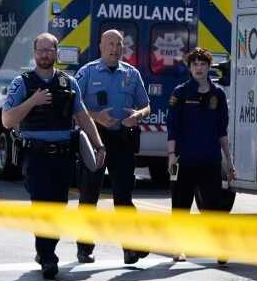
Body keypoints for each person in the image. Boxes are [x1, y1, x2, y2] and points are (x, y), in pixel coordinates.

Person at [1, 33, 105, 279]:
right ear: (34, 53)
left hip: (63, 156)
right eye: (41, 50)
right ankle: (48, 257)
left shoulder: (69, 83)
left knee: (58, 207)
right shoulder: (22, 83)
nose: (45, 54)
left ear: (57, 53)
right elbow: (7, 120)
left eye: (50, 50)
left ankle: (45, 250)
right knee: (41, 206)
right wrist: (33, 101)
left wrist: (99, 145)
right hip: (35, 156)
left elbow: (82, 116)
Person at [74, 29, 151, 264]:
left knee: (124, 196)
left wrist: (137, 116)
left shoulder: (132, 74)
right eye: (110, 44)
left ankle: (131, 248)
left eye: (119, 44)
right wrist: (97, 117)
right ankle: (84, 248)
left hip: (122, 139)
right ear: (100, 46)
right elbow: (73, 107)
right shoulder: (87, 72)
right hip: (95, 138)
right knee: (89, 195)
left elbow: (146, 105)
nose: (115, 49)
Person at [166, 48, 235, 263]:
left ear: (208, 67)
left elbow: (222, 131)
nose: (199, 68)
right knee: (180, 205)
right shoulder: (180, 93)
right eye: (194, 64)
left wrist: (229, 161)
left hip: (210, 160)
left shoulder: (218, 94)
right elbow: (173, 128)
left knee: (214, 206)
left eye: (203, 64)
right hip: (183, 160)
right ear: (189, 67)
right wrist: (171, 155)